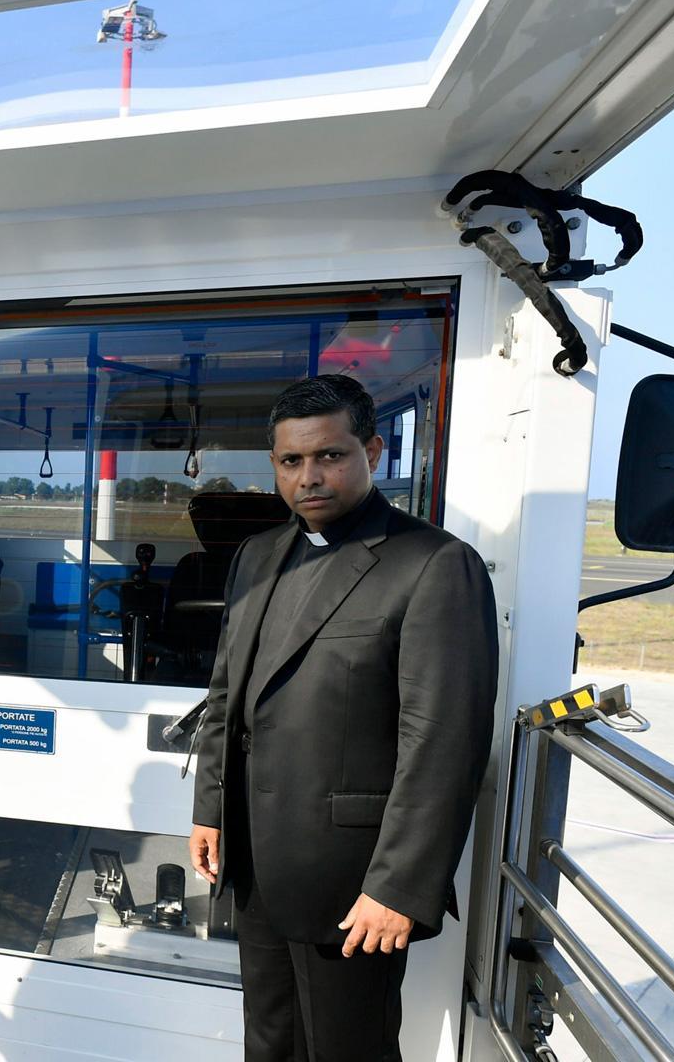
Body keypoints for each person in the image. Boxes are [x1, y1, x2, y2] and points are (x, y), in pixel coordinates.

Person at [187, 374, 497, 1061]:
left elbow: (444, 743)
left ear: (374, 452)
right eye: (292, 461)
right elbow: (226, 694)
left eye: (330, 455)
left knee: (346, 1051)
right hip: (258, 861)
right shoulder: (257, 555)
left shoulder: (435, 564)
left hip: (354, 879)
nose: (310, 476)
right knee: (269, 1042)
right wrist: (210, 809)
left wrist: (399, 886)